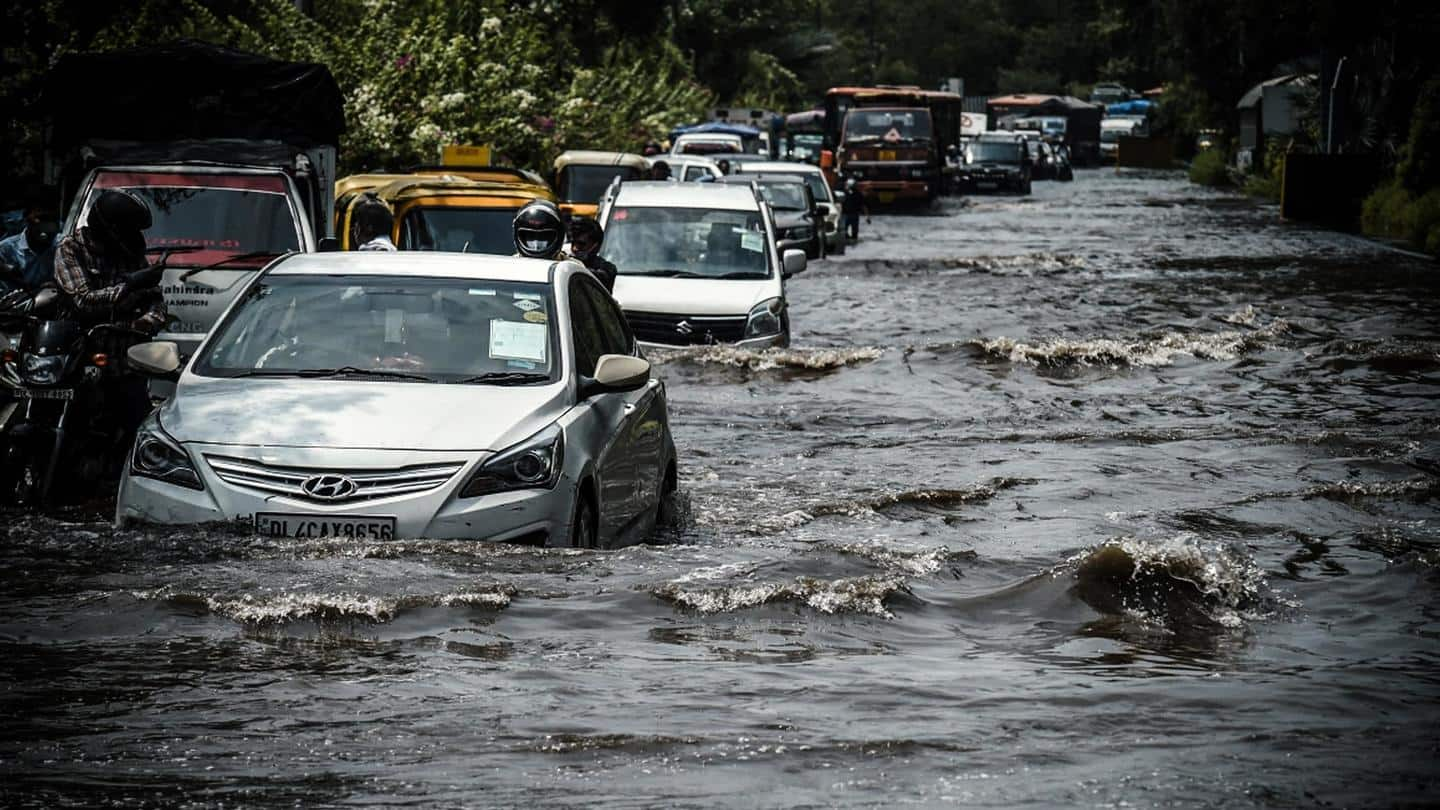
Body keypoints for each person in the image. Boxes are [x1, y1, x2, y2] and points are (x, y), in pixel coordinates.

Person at [53, 189, 165, 336]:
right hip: (82, 346)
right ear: (108, 229)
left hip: (126, 345)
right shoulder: (72, 248)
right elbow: (83, 301)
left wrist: (149, 320)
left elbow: (155, 299)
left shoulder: (130, 253)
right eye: (129, 231)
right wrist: (128, 287)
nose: (135, 237)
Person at [0, 202, 58, 292]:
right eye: (42, 218)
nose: (46, 224)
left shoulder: (63, 245)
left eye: (51, 219)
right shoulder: (6, 249)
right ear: (27, 219)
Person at [566, 216, 617, 292]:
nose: (575, 249)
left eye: (582, 244)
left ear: (596, 245)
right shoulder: (565, 262)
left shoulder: (607, 269)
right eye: (573, 243)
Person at [841, 178, 870, 242]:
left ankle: (850, 240)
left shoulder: (858, 195)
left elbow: (863, 206)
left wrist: (867, 216)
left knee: (853, 233)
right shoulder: (844, 194)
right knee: (844, 232)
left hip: (853, 215)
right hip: (847, 215)